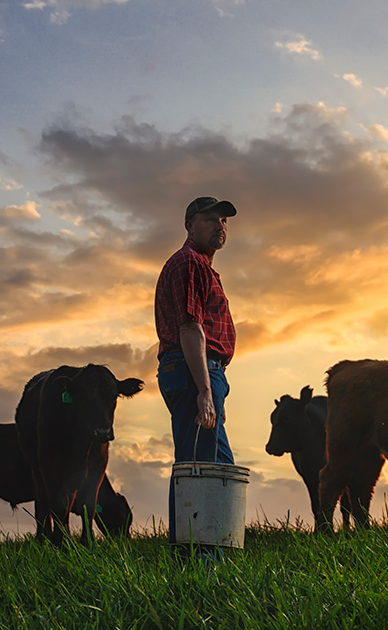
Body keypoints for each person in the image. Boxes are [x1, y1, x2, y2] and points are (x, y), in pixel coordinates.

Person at [155, 195, 237, 549]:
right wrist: (204, 389)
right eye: (209, 219)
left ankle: (219, 553)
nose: (219, 225)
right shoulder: (189, 263)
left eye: (223, 221)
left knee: (218, 466)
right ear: (189, 225)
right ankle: (196, 561)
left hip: (201, 371)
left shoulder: (200, 265)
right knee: (199, 468)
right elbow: (190, 328)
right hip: (194, 370)